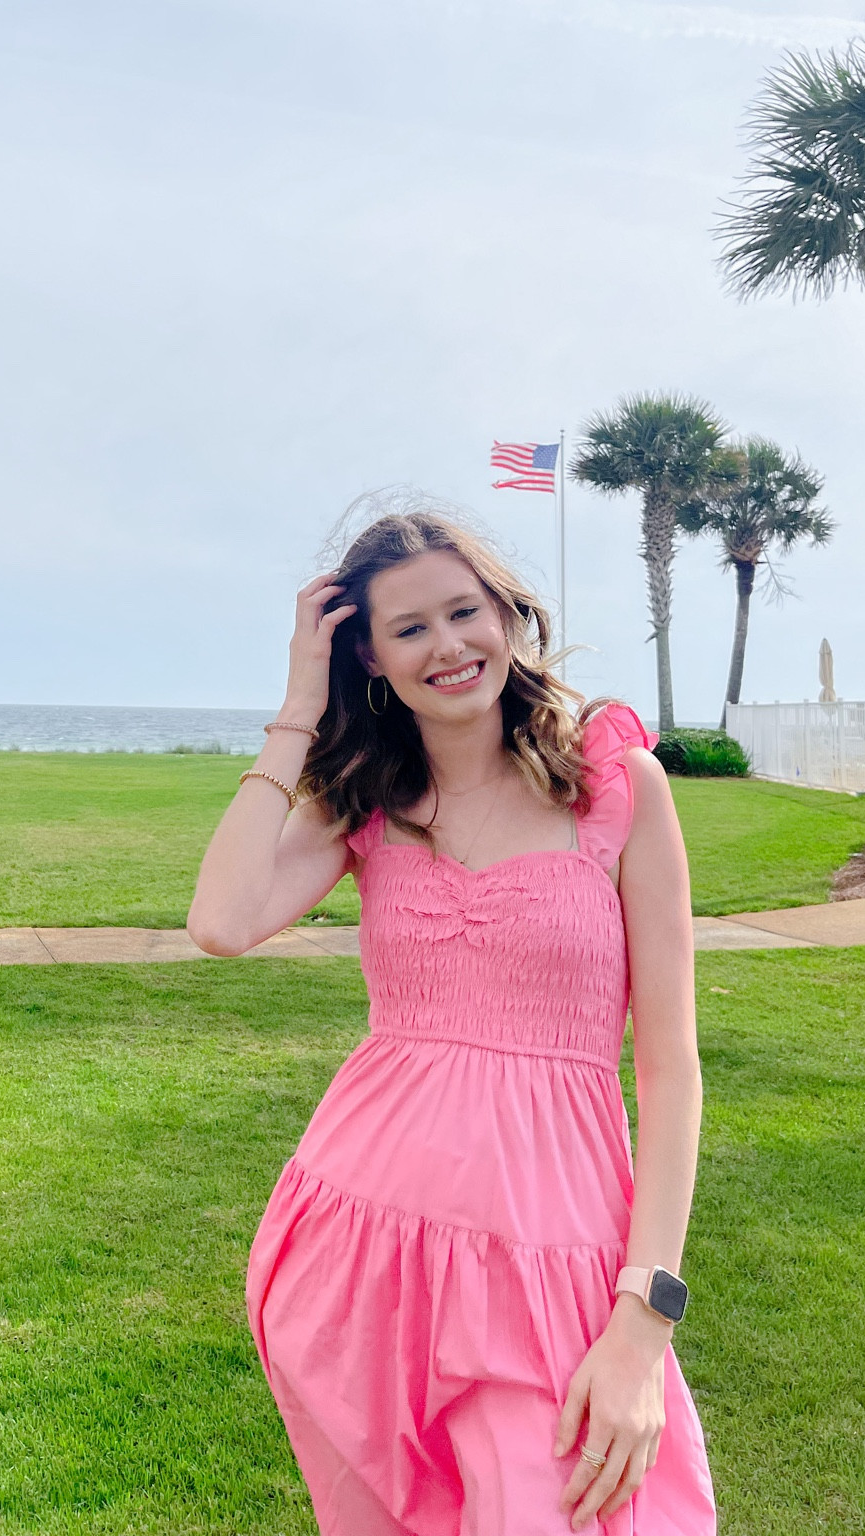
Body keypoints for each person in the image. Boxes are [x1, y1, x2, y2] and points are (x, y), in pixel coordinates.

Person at [188, 511, 716, 1535]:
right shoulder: (367, 803)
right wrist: (300, 704)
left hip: (551, 1249)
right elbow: (220, 920)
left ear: (510, 617)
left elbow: (670, 1068)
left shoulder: (616, 785)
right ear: (373, 658)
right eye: (410, 627)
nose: (448, 644)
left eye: (465, 611)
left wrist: (645, 1320)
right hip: (365, 1243)